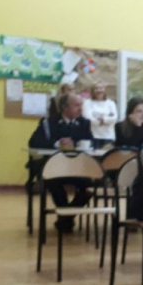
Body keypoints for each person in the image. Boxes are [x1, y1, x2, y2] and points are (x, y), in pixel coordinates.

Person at [28, 93, 94, 230]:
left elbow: (91, 142)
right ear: (65, 107)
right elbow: (33, 142)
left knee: (91, 186)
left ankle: (66, 218)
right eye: (77, 105)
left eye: (81, 105)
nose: (80, 109)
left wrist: (78, 143)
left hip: (76, 168)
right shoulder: (48, 122)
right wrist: (57, 143)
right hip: (54, 168)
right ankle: (66, 220)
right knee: (54, 184)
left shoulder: (84, 123)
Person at [82, 82, 118, 148]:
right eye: (96, 88)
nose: (99, 90)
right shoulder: (87, 103)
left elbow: (114, 118)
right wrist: (105, 120)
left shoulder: (111, 103)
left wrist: (103, 119)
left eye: (101, 88)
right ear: (92, 91)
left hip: (108, 136)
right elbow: (87, 118)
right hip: (94, 136)